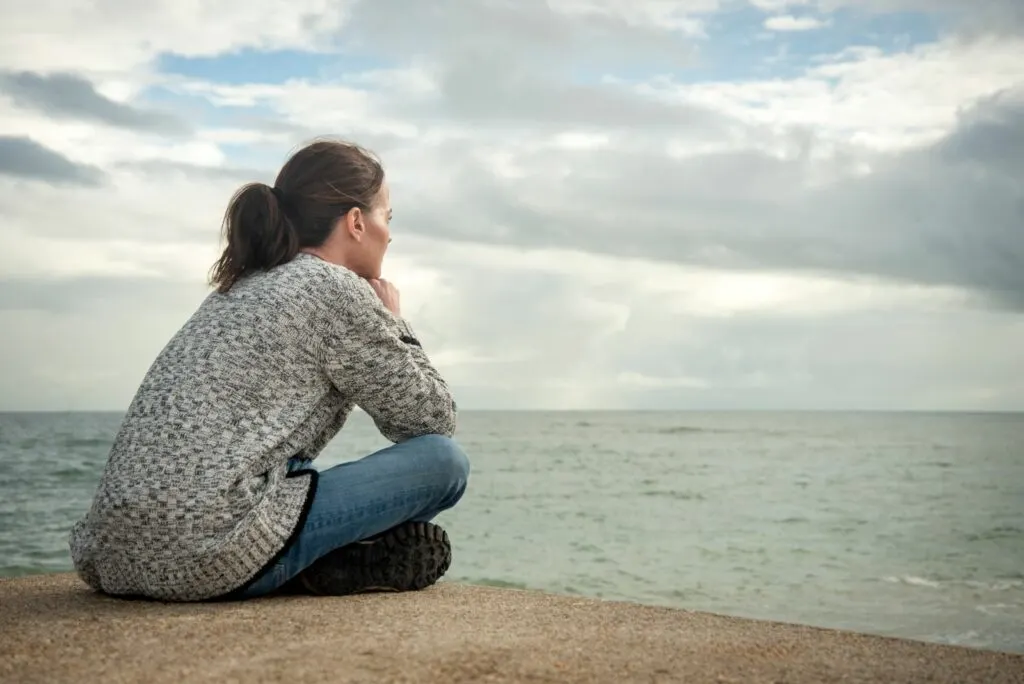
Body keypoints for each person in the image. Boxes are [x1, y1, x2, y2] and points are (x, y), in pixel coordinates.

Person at [68, 139, 470, 602]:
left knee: (287, 460)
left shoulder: (238, 287)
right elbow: (430, 420)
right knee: (444, 462)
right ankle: (307, 564)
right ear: (356, 222)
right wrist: (397, 325)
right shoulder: (334, 289)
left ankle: (314, 561)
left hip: (110, 558)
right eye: (388, 218)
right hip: (204, 554)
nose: (391, 234)